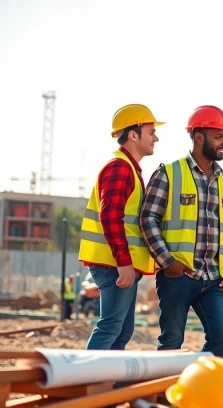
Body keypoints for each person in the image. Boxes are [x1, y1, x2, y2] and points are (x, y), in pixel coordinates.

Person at [139, 105, 223, 358]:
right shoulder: (169, 173)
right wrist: (168, 262)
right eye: (219, 136)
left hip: (215, 278)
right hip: (178, 275)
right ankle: (167, 384)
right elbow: (148, 218)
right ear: (199, 138)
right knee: (171, 340)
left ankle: (195, 376)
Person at [79, 104, 162, 350]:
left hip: (118, 263)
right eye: (151, 132)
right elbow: (110, 215)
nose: (156, 138)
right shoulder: (120, 167)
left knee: (121, 331)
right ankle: (87, 373)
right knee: (111, 327)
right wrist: (123, 263)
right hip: (113, 264)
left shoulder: (129, 168)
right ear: (133, 135)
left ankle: (106, 375)